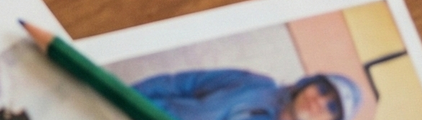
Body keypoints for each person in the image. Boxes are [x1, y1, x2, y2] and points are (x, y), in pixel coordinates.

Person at [133, 67, 362, 120]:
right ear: (308, 83)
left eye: (332, 107)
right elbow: (179, 84)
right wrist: (126, 97)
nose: (319, 101)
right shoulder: (255, 83)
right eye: (322, 89)